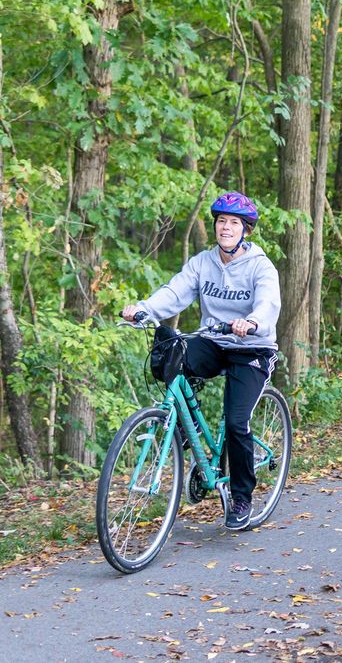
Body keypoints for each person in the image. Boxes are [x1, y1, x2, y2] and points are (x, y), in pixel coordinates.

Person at [121, 192, 281, 531]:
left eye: (234, 223)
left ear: (245, 230)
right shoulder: (203, 262)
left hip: (251, 348)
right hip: (213, 342)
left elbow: (268, 303)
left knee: (237, 423)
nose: (226, 228)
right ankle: (179, 427)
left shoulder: (260, 266)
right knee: (171, 350)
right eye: (221, 221)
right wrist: (144, 309)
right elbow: (175, 291)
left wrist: (251, 322)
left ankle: (241, 497)